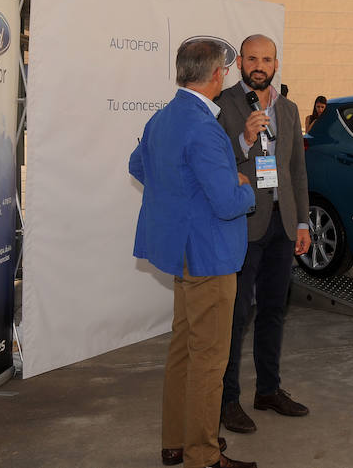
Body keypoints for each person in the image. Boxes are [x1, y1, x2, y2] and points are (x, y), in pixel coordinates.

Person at [129, 39, 256, 468]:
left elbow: (138, 165)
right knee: (209, 361)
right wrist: (246, 190)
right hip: (210, 256)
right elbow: (225, 202)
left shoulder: (163, 118)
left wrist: (178, 195)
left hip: (184, 254)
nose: (226, 75)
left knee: (183, 350)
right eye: (225, 69)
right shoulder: (204, 127)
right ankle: (202, 454)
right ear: (216, 75)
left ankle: (175, 442)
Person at [217, 34, 311, 434]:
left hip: (283, 223)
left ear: (276, 63)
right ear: (239, 62)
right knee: (236, 315)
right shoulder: (222, 105)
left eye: (266, 59)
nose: (259, 65)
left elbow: (296, 172)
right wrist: (246, 140)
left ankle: (268, 390)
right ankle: (227, 401)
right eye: (252, 58)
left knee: (274, 309)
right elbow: (215, 164)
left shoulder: (288, 109)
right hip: (244, 221)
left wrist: (303, 222)